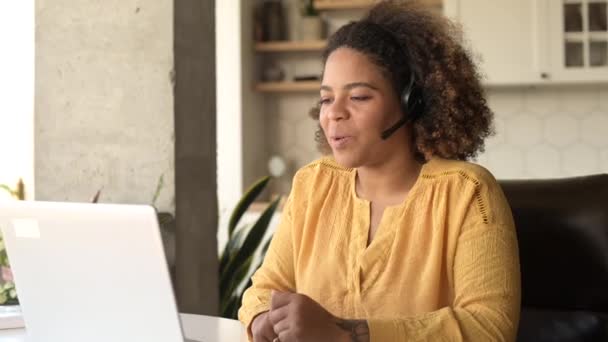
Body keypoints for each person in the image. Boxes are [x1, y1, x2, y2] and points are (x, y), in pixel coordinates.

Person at [239, 1, 520, 341]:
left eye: (358, 96)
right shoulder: (313, 183)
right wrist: (262, 320)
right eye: (326, 99)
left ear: (411, 102)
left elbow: (489, 328)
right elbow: (263, 289)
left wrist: (348, 334)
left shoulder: (467, 192)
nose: (334, 114)